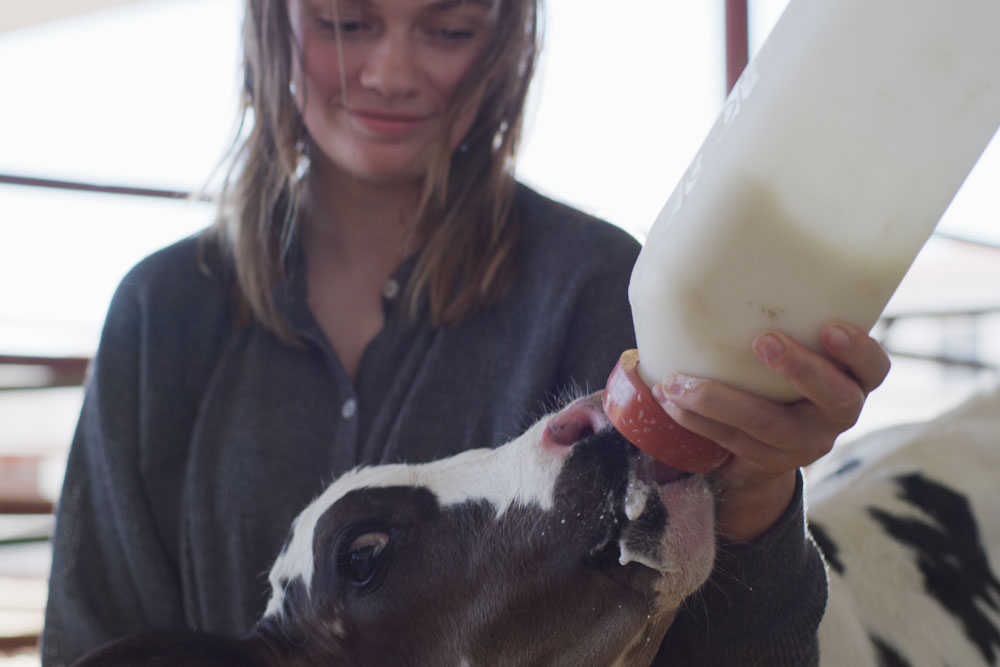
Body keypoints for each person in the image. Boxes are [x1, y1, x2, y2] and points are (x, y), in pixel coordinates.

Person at [41, 0, 891, 664]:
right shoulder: (162, 316)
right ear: (272, 20)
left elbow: (741, 656)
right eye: (345, 22)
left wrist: (757, 491)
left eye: (447, 26)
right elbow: (96, 641)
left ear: (506, 38)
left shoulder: (603, 288)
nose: (391, 70)